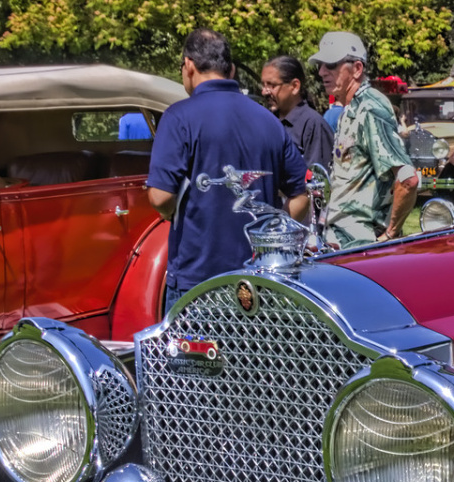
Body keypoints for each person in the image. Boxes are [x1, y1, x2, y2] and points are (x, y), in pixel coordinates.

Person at [147, 28, 308, 305]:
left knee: (194, 350)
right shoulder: (269, 120)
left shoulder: (178, 117)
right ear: (231, 70)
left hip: (198, 283)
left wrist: (168, 210)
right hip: (259, 281)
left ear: (188, 66)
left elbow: (161, 197)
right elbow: (301, 196)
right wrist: (269, 231)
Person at [310, 31, 417, 248]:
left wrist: (389, 234)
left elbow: (407, 179)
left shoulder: (371, 108)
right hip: (343, 241)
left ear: (357, 68)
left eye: (330, 64)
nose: (321, 72)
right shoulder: (351, 109)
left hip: (361, 245)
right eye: (320, 65)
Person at [260, 55, 333, 172]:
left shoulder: (313, 125)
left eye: (272, 85)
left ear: (294, 86)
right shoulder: (268, 122)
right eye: (263, 85)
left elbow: (318, 181)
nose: (264, 92)